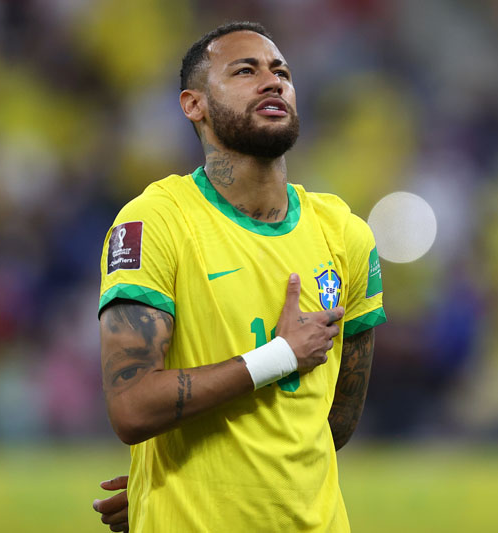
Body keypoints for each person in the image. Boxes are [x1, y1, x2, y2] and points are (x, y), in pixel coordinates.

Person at [94, 21, 385, 532]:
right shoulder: (155, 222)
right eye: (245, 71)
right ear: (194, 105)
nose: (273, 82)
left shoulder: (346, 236)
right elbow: (133, 408)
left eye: (282, 72)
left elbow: (332, 423)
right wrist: (279, 357)